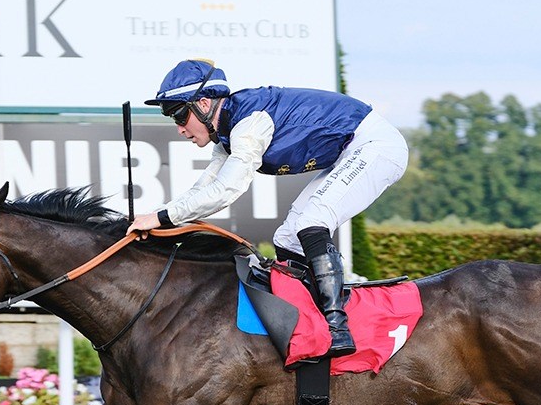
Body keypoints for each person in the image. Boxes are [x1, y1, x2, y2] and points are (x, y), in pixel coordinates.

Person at [128, 59, 409, 358]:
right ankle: (306, 323)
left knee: (311, 222)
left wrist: (160, 218)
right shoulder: (227, 134)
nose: (180, 129)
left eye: (180, 115)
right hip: (353, 149)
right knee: (287, 238)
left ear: (205, 103)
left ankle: (337, 328)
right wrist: (157, 220)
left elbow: (224, 191)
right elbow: (203, 191)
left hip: (376, 146)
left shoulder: (249, 123)